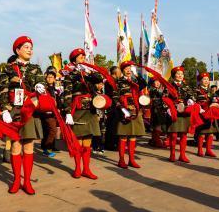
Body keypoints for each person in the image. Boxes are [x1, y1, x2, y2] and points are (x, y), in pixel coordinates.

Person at [0, 36, 45, 195]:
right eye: (26, 47)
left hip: (30, 109)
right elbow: (3, 89)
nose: (30, 50)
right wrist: (4, 109)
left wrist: (41, 86)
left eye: (31, 48)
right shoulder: (8, 68)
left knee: (29, 146)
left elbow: (41, 82)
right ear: (17, 50)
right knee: (16, 146)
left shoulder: (36, 68)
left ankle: (27, 182)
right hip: (14, 111)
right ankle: (17, 180)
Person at [63, 48, 106, 178]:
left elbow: (99, 79)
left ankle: (86, 169)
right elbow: (67, 94)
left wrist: (90, 71)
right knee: (79, 141)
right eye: (80, 56)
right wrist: (67, 111)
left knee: (87, 140)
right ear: (74, 59)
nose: (83, 57)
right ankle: (77, 168)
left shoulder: (88, 73)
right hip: (78, 109)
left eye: (83, 55)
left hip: (90, 109)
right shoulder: (70, 74)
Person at [114, 61, 147, 169]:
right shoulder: (119, 81)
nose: (128, 70)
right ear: (122, 70)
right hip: (124, 111)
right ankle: (121, 159)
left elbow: (144, 84)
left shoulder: (135, 80)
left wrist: (136, 74)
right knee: (123, 135)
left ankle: (131, 160)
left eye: (130, 68)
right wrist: (122, 109)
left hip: (135, 110)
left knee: (133, 135)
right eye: (126, 68)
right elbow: (115, 97)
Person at [167, 66, 196, 163]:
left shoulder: (186, 86)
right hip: (174, 112)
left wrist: (191, 100)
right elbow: (164, 98)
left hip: (185, 112)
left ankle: (182, 155)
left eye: (181, 74)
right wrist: (168, 108)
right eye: (178, 74)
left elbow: (192, 96)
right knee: (173, 134)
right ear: (174, 75)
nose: (180, 75)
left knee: (184, 134)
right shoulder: (169, 86)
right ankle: (172, 154)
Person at [194, 72, 218, 158]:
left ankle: (208, 150)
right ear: (200, 81)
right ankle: (200, 150)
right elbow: (195, 101)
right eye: (204, 79)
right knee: (202, 133)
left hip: (211, 113)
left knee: (211, 133)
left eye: (207, 79)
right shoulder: (196, 90)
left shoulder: (211, 91)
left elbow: (215, 100)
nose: (206, 81)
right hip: (202, 113)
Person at [40, 68, 60, 158]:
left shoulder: (55, 89)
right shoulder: (44, 89)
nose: (49, 79)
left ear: (54, 79)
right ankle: (47, 149)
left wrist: (59, 108)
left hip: (54, 112)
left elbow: (58, 100)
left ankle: (47, 147)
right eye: (48, 77)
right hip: (46, 112)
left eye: (51, 77)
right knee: (52, 130)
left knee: (49, 130)